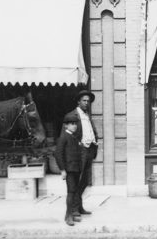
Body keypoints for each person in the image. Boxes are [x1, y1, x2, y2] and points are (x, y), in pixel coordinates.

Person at [62, 89, 100, 218]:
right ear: (78, 102)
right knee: (77, 181)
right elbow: (66, 138)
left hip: (89, 151)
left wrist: (95, 142)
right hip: (80, 152)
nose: (86, 103)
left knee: (84, 181)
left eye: (88, 101)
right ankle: (73, 210)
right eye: (84, 101)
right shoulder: (72, 116)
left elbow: (91, 131)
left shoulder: (87, 115)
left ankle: (79, 206)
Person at [53, 119, 82, 226]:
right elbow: (58, 154)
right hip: (69, 170)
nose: (74, 126)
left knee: (74, 192)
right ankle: (68, 216)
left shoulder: (74, 137)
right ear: (66, 126)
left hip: (76, 169)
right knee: (70, 192)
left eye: (75, 124)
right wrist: (62, 170)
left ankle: (71, 215)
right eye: (72, 124)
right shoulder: (63, 137)